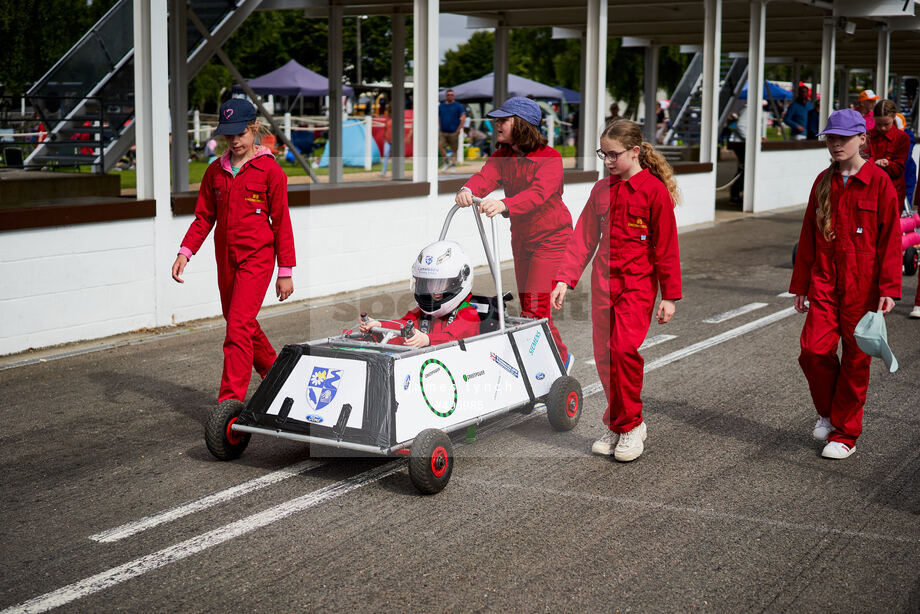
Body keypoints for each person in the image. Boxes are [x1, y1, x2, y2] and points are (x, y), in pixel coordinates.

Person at [551, 118, 681, 462]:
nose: (607, 161)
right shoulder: (601, 190)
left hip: (637, 285)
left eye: (613, 154)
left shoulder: (654, 192)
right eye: (603, 154)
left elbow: (666, 247)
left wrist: (669, 295)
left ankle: (632, 425)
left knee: (623, 350)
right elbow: (583, 238)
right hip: (604, 284)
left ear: (635, 152)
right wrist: (565, 278)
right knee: (606, 356)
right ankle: (619, 423)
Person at [789, 108, 901, 460]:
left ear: (862, 139)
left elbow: (891, 239)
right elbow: (808, 235)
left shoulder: (879, 183)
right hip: (824, 279)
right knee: (813, 350)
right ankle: (828, 412)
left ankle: (845, 433)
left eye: (842, 138)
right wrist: (801, 285)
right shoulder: (824, 181)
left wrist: (888, 288)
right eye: (830, 138)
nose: (835, 144)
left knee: (856, 361)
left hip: (863, 286)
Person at [171, 98, 295, 404]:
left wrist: (285, 271)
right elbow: (203, 217)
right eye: (228, 135)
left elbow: (281, 222)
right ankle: (279, 374)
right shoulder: (215, 172)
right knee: (239, 321)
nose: (234, 140)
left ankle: (229, 403)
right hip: (225, 259)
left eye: (240, 133)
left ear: (254, 129)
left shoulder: (270, 171)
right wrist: (185, 252)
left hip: (258, 259)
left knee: (237, 327)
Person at [455, 96, 574, 371]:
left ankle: (556, 365)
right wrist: (468, 190)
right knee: (530, 310)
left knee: (534, 310)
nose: (496, 124)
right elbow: (485, 177)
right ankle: (553, 359)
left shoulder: (550, 159)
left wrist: (505, 204)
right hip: (523, 239)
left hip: (552, 240)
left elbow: (539, 194)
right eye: (496, 119)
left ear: (521, 124)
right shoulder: (502, 157)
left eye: (503, 120)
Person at [358, 240, 480, 346]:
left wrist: (427, 339)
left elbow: (451, 337)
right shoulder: (423, 312)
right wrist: (380, 325)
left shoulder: (468, 314)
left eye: (441, 284)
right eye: (428, 283)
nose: (434, 291)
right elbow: (404, 325)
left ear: (459, 281)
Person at [867, 99, 910, 208]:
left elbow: (899, 168)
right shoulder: (868, 136)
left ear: (894, 117)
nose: (882, 128)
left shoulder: (902, 137)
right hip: (869, 190)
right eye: (878, 124)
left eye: (886, 124)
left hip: (893, 190)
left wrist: (888, 164)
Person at [438, 89, 466, 172]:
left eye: (451, 95)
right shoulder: (441, 106)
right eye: (448, 95)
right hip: (443, 131)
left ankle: (453, 165)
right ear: (446, 96)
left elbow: (463, 117)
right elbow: (439, 117)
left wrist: (459, 128)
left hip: (454, 131)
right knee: (441, 146)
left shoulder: (458, 106)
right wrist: (440, 127)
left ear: (453, 96)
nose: (450, 96)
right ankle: (446, 162)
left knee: (454, 149)